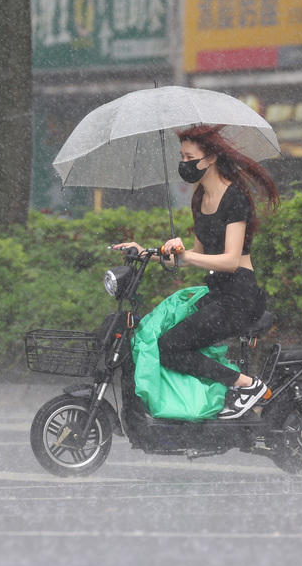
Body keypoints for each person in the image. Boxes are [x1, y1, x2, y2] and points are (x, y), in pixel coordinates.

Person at [114, 124, 280, 419]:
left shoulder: (235, 199)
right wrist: (148, 253)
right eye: (182, 157)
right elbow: (191, 259)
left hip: (239, 298)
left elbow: (230, 260)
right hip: (216, 295)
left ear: (211, 157)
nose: (184, 164)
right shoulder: (199, 199)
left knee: (169, 348)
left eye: (190, 157)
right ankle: (208, 399)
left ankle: (247, 385)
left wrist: (185, 253)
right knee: (164, 340)